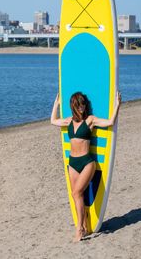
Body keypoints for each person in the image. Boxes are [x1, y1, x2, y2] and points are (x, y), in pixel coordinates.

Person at [50, 91, 121, 242]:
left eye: (83, 104)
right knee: (77, 195)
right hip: (73, 163)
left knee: (76, 193)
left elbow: (109, 122)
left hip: (87, 162)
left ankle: (79, 230)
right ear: (73, 106)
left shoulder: (90, 120)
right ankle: (83, 226)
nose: (81, 107)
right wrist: (55, 104)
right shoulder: (69, 121)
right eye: (78, 104)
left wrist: (117, 106)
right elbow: (53, 121)